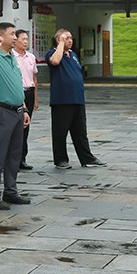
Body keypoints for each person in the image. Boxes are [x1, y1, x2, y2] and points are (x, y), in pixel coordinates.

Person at [0, 22, 31, 210]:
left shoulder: (12, 57)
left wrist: (24, 109)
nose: (15, 37)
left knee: (14, 155)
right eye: (12, 34)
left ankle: (10, 191)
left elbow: (17, 85)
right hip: (2, 111)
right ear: (0, 36)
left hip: (17, 111)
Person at [46, 29, 105, 169]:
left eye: (70, 38)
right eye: (66, 38)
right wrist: (61, 44)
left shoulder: (73, 55)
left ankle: (87, 158)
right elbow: (55, 61)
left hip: (77, 98)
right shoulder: (52, 53)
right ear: (58, 39)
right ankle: (60, 159)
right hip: (62, 100)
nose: (69, 40)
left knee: (80, 132)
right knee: (60, 132)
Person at [13, 29, 38, 170]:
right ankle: (13, 159)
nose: (26, 42)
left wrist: (35, 99)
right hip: (17, 93)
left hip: (29, 92)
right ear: (15, 41)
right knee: (15, 127)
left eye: (27, 39)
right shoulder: (11, 57)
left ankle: (22, 158)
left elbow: (34, 78)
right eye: (23, 39)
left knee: (25, 127)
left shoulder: (31, 57)